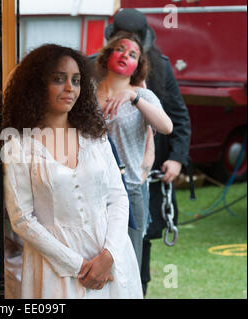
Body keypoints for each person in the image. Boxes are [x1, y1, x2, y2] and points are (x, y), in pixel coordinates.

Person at [2, 44, 143, 298]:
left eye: (76, 80)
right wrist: (79, 266)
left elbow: (118, 198)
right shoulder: (18, 146)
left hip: (111, 261)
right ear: (36, 85)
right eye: (59, 79)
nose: (70, 88)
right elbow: (22, 219)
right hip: (55, 270)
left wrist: (109, 256)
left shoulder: (95, 136)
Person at [104, 9, 192, 295]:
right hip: (104, 178)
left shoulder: (161, 67)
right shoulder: (93, 68)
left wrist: (177, 158)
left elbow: (176, 117)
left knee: (140, 242)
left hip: (145, 174)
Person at [95, 31, 173, 272]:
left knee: (128, 264)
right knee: (97, 261)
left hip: (130, 188)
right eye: (120, 49)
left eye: (133, 54)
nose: (125, 55)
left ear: (137, 65)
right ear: (108, 54)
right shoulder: (87, 94)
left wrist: (133, 97)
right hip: (95, 189)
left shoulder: (143, 96)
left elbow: (166, 126)